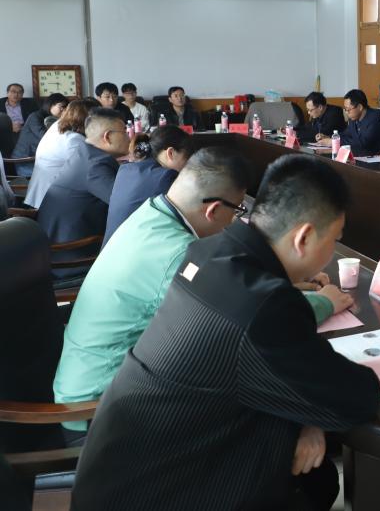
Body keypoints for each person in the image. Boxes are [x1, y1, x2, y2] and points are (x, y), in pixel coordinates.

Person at [71, 155, 380, 511]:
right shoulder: (266, 306)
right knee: (315, 483)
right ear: (304, 237)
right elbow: (355, 398)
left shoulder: (209, 251)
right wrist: (313, 413)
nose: (330, 253)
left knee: (316, 476)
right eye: (334, 239)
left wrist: (310, 416)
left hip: (116, 474)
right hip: (159, 492)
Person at [55, 148, 355, 442]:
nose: (236, 221)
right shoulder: (178, 254)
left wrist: (290, 279)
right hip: (100, 409)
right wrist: (325, 302)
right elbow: (249, 317)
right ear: (213, 210)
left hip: (93, 382)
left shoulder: (152, 214)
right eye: (237, 210)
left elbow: (231, 288)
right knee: (272, 423)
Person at [36, 109, 129, 275]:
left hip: (66, 241)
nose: (129, 137)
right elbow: (125, 205)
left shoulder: (87, 153)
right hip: (72, 255)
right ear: (108, 137)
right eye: (125, 132)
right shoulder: (95, 164)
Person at [101, 126, 194, 245]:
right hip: (136, 250)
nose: (187, 167)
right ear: (170, 153)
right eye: (186, 160)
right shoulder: (166, 176)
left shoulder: (125, 170)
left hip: (110, 250)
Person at [24, 98, 100, 208]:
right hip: (51, 202)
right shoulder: (74, 140)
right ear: (87, 119)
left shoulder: (58, 126)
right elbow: (93, 170)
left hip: (40, 195)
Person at [10, 92, 67, 176]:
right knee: (57, 176)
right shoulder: (35, 117)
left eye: (65, 108)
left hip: (41, 159)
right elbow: (45, 137)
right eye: (61, 106)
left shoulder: (53, 119)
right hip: (26, 160)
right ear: (51, 105)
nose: (63, 110)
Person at [338, 88, 380, 156]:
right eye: (345, 109)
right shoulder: (353, 118)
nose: (346, 112)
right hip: (362, 157)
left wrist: (337, 141)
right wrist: (331, 138)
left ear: (360, 107)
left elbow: (363, 143)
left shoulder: (375, 118)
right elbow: (346, 134)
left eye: (348, 109)